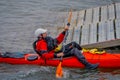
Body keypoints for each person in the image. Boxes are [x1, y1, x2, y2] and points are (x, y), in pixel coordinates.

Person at [33, 23, 99, 69]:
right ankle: (88, 65)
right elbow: (45, 55)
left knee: (74, 43)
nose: (46, 33)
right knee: (74, 50)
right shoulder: (41, 43)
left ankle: (83, 54)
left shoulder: (47, 39)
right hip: (54, 56)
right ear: (40, 35)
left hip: (56, 52)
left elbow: (58, 41)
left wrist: (64, 31)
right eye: (44, 33)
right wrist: (57, 55)